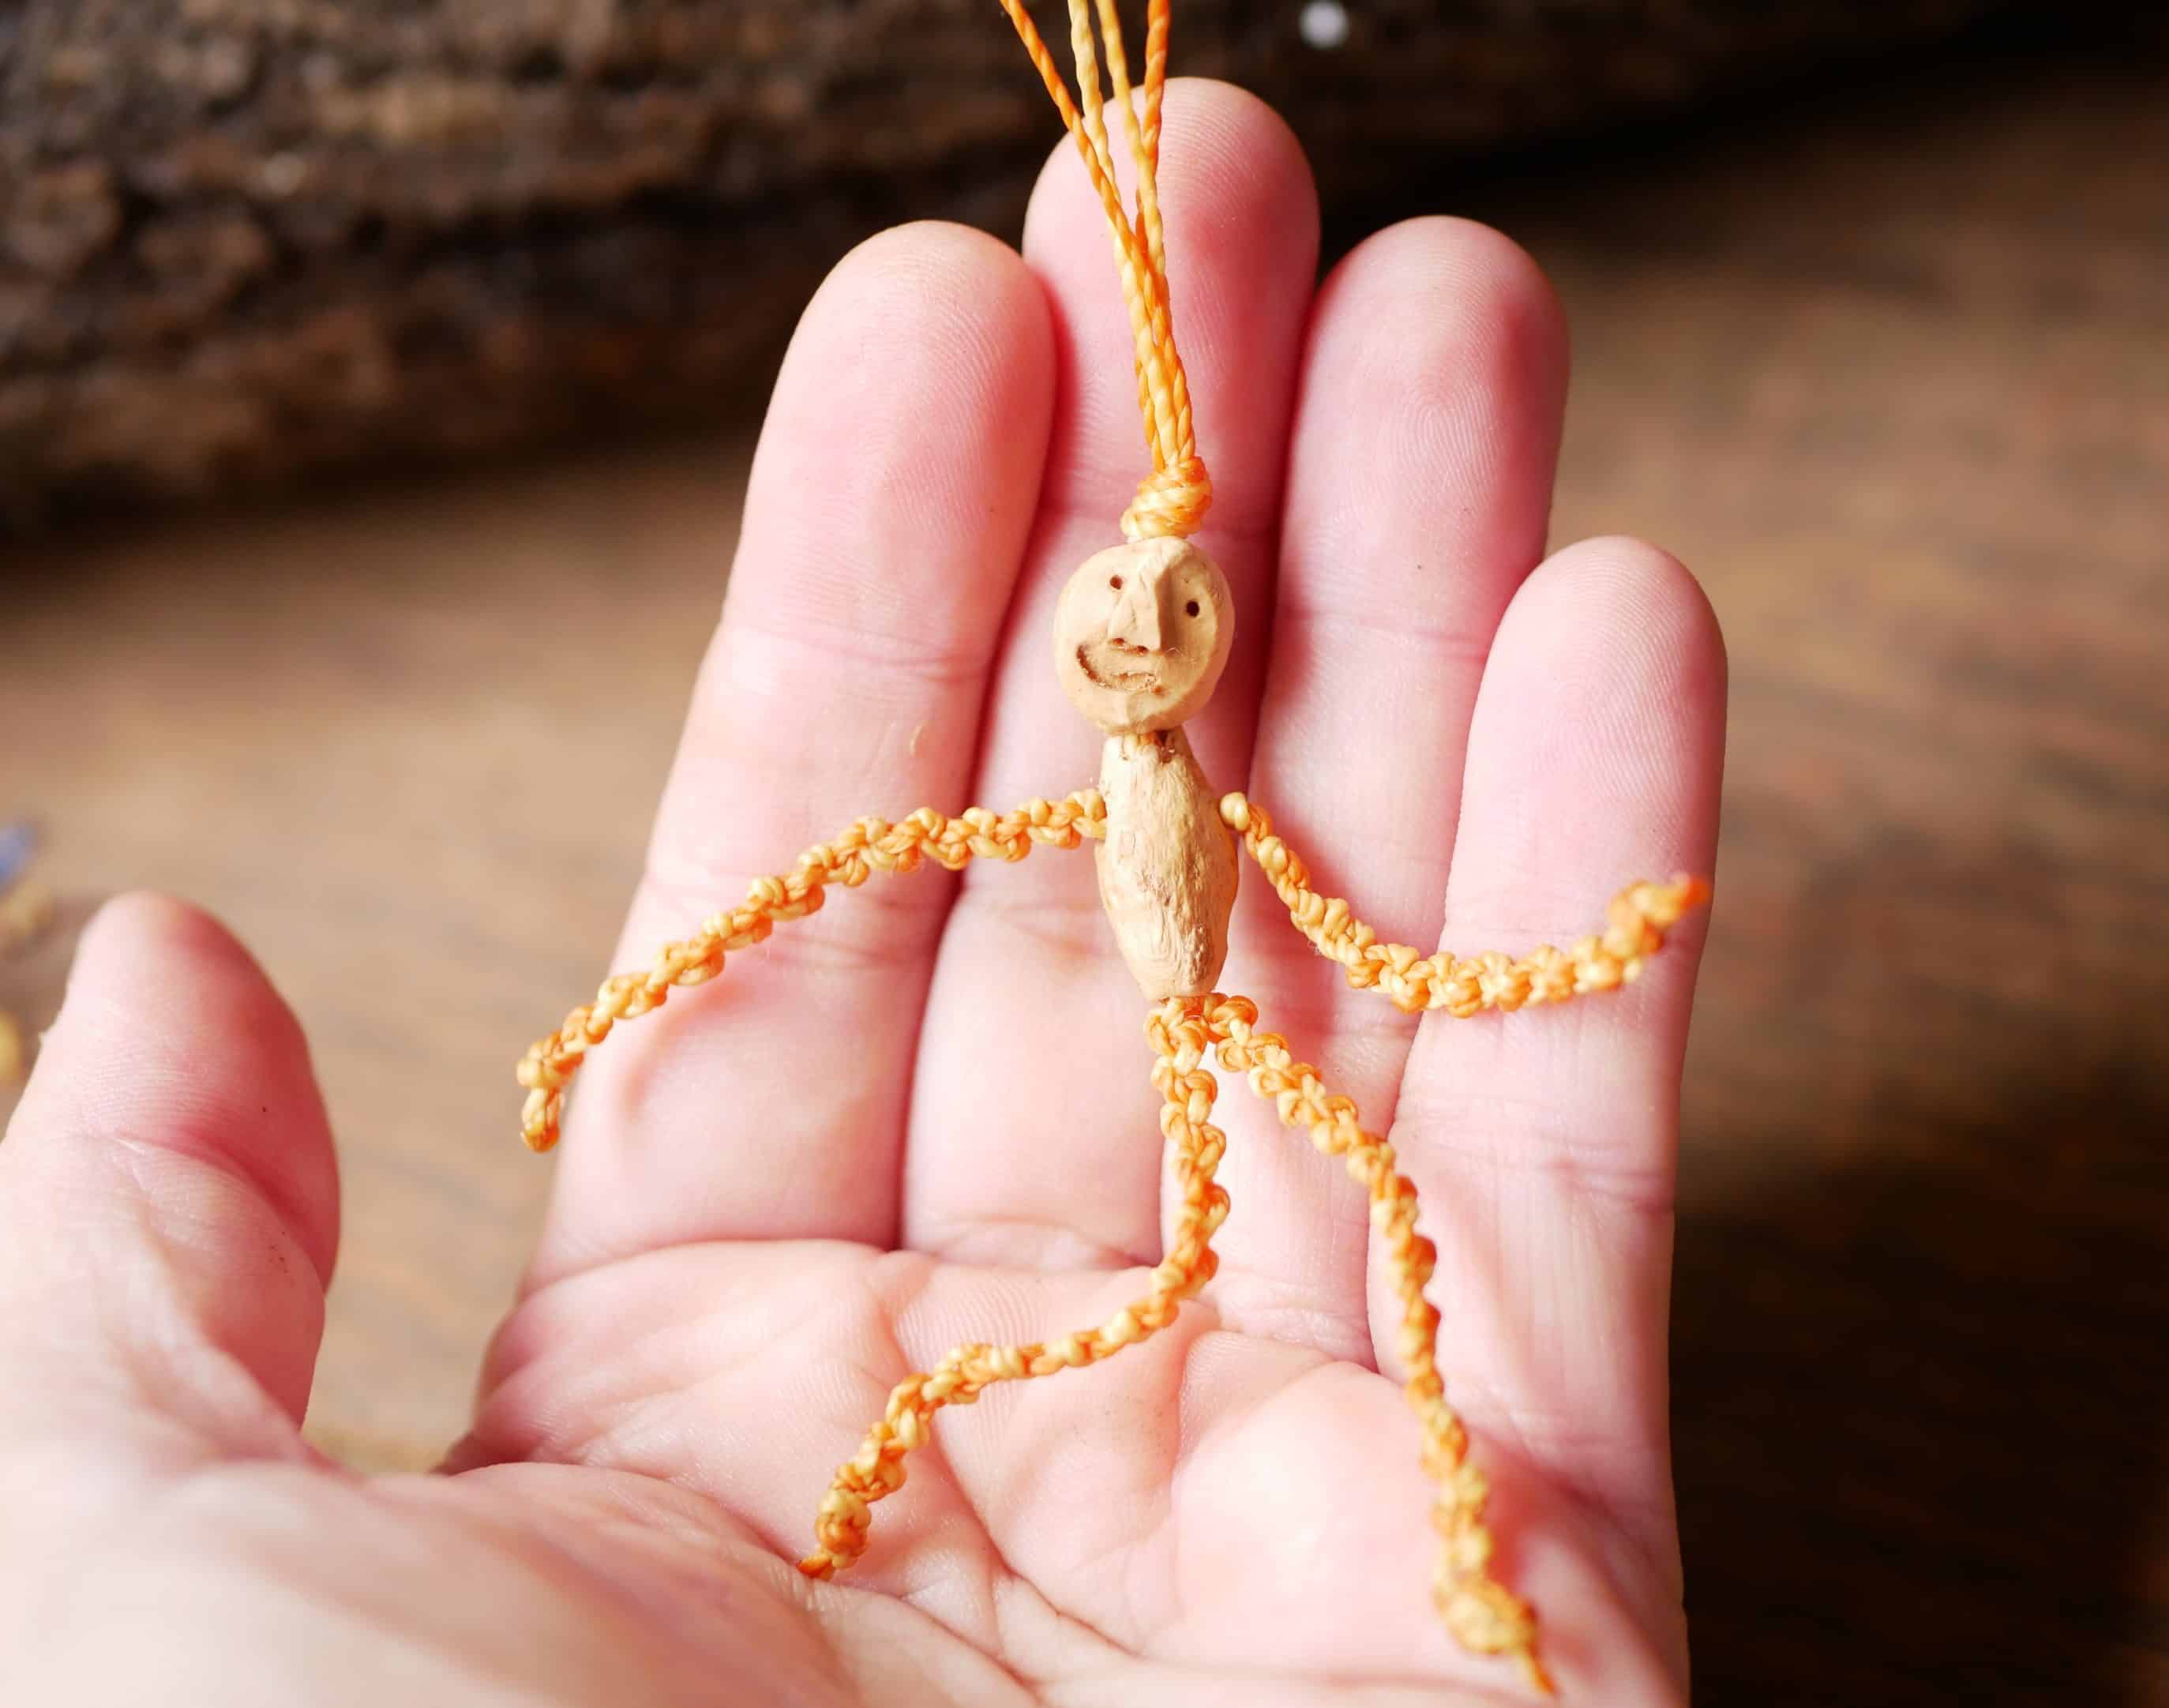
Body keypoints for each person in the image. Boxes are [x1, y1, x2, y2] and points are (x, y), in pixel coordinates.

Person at [0, 82, 1721, 1704]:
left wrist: (1552, 964)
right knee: (1306, 1189)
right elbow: (842, 871)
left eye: (1174, 610)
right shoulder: (1135, 786)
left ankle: (1452, 1561)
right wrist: (607, 1026)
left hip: (1211, 1034)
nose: (1138, 629)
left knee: (1393, 1221)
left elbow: (1355, 944)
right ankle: (972, 1451)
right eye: (1120, 607)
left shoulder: (1227, 820)